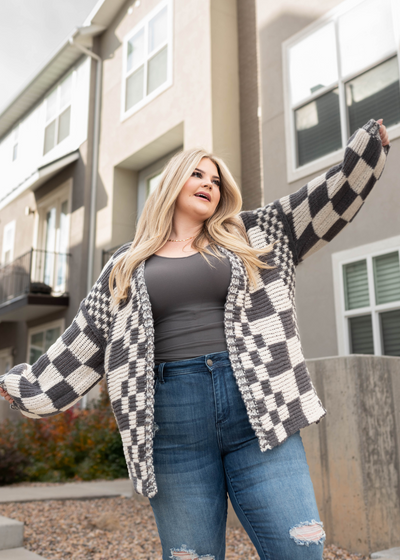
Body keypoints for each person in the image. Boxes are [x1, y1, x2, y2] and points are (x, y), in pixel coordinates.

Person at [0, 118, 390, 560]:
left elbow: (324, 200)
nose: (210, 184)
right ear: (172, 184)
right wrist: (23, 388)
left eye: (217, 180)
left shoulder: (256, 234)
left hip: (259, 411)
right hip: (171, 428)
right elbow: (81, 346)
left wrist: (366, 151)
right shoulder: (125, 266)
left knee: (300, 547)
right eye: (198, 174)